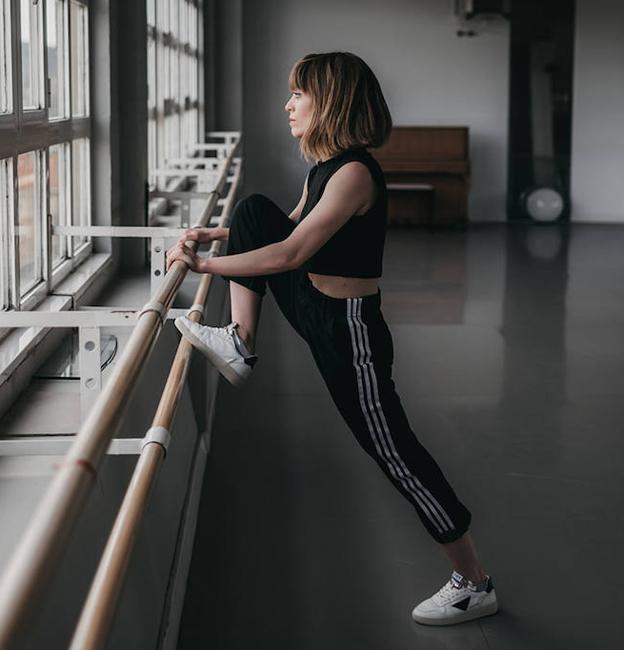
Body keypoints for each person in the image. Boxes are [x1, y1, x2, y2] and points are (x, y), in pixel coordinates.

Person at [166, 51, 498, 626]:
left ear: (331, 101)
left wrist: (207, 268)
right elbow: (291, 224)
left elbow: (290, 253)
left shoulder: (354, 172)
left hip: (351, 333)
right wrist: (215, 232)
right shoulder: (325, 167)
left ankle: (475, 583)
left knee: (395, 453)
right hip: (316, 307)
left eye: (299, 94)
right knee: (250, 210)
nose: (288, 104)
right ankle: (240, 341)